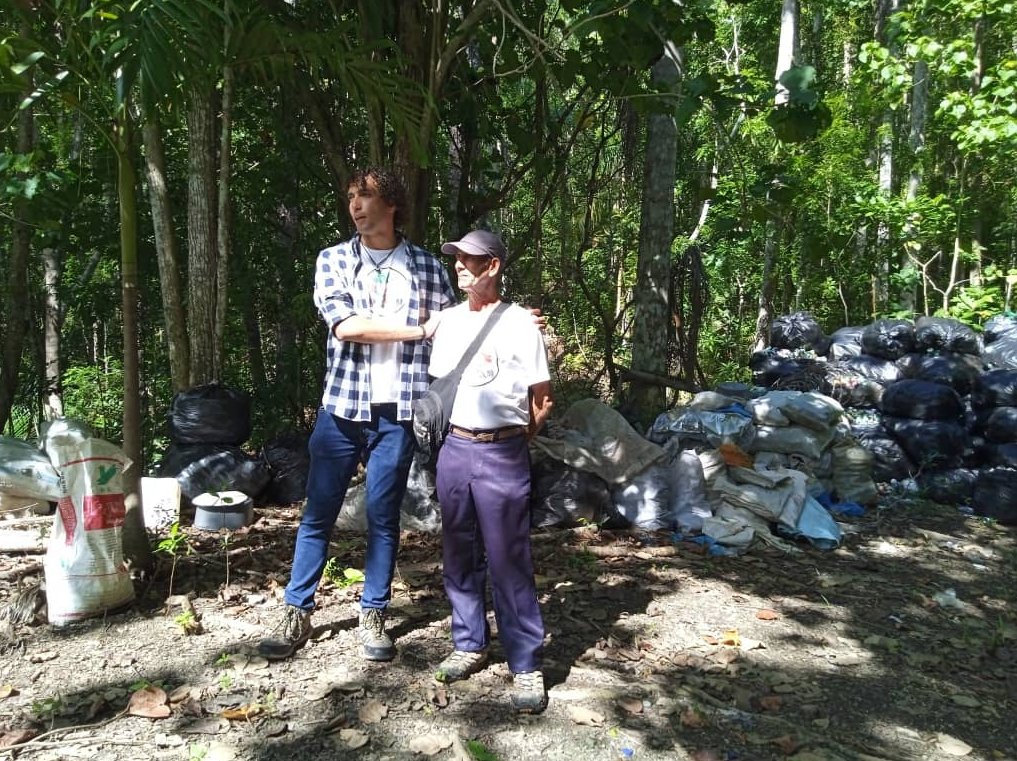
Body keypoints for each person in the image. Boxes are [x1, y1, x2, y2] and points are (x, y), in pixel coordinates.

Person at [259, 167, 456, 662]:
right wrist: (419, 330)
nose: (356, 205)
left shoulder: (429, 267)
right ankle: (297, 610)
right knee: (318, 512)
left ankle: (374, 611)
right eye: (351, 196)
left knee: (383, 515)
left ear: (391, 205)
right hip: (343, 408)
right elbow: (346, 327)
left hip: (400, 410)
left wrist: (511, 320)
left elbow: (454, 330)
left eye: (365, 196)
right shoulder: (334, 261)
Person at [422, 229, 554, 713]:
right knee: (458, 551)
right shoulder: (449, 322)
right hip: (454, 448)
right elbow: (444, 384)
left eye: (468, 259)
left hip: (502, 452)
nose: (458, 265)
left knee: (508, 559)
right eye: (455, 258)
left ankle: (525, 664)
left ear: (492, 266)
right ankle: (468, 642)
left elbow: (542, 400)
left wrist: (516, 440)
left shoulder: (521, 324)